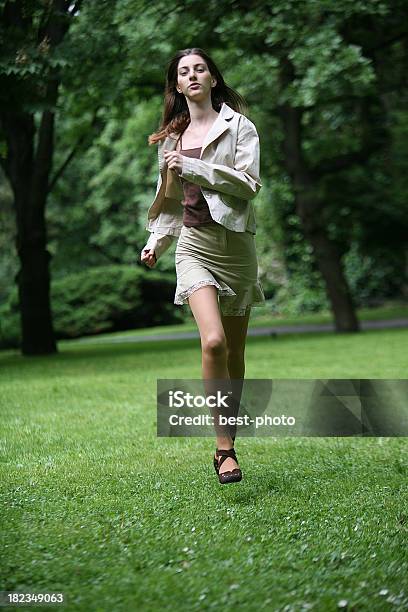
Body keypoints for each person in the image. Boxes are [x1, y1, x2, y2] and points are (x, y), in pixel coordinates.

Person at [140, 47, 265, 484]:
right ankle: (223, 450)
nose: (192, 75)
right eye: (183, 72)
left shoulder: (240, 127)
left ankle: (229, 435)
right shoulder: (171, 138)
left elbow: (249, 185)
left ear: (212, 78)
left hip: (236, 249)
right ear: (176, 85)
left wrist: (195, 166)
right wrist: (156, 240)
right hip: (193, 247)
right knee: (212, 342)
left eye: (200, 68)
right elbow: (171, 201)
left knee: (234, 351)